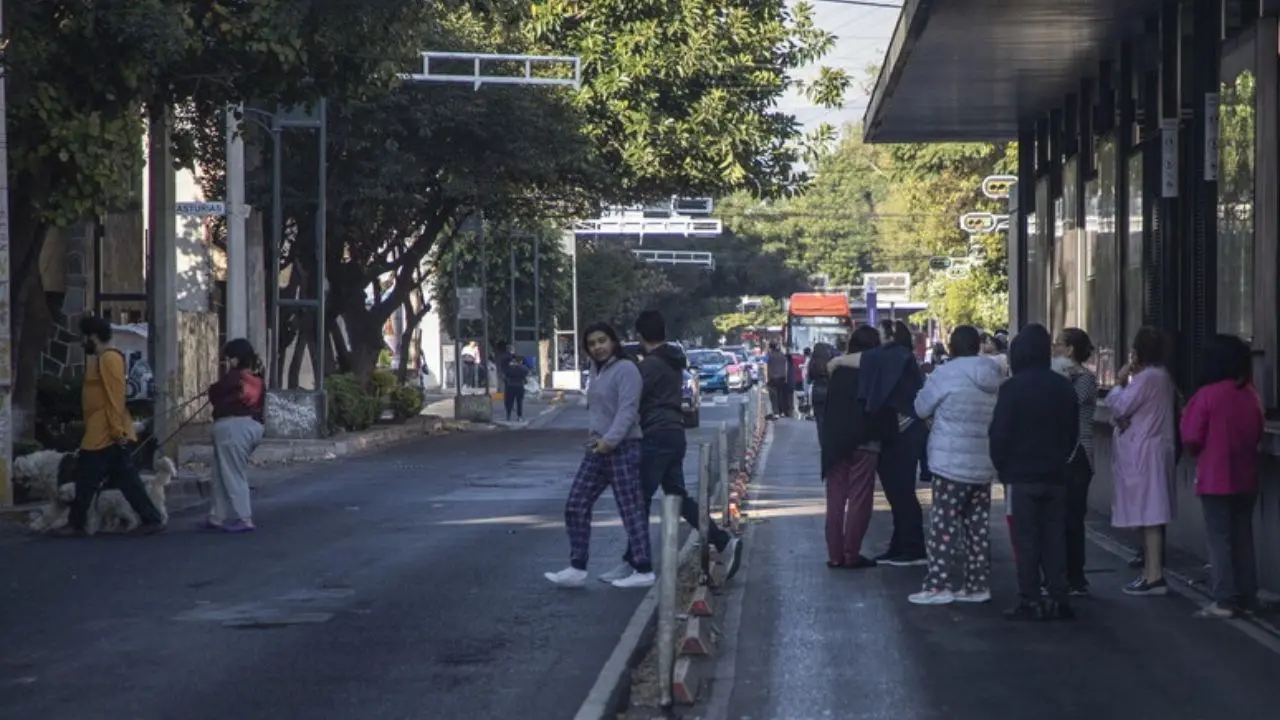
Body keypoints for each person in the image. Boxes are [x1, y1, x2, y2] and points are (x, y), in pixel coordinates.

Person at [600, 311, 744, 584]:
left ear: (640, 336)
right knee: (676, 497)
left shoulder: (650, 366)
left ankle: (637, 564)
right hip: (673, 433)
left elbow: (630, 398)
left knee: (638, 499)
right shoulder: (673, 361)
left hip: (655, 435)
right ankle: (723, 541)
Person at [545, 322, 655, 589]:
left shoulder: (626, 370)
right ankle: (577, 566)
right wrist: (599, 442)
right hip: (597, 448)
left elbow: (628, 411)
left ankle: (643, 569)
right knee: (576, 504)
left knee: (630, 509)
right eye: (592, 343)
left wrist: (610, 441)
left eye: (602, 341)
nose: (598, 347)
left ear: (614, 341)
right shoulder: (597, 371)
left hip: (623, 447)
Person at [989, 323, 1079, 621]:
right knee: (1055, 536)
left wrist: (1002, 468)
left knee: (1025, 539)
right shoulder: (1063, 387)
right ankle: (1059, 594)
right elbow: (1072, 432)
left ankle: (1030, 598)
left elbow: (999, 434)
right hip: (1055, 474)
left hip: (1020, 476)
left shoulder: (1011, 389)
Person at [909, 325, 1003, 605]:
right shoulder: (993, 375)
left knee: (943, 526)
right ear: (978, 346)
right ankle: (977, 585)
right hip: (983, 462)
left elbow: (921, 407)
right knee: (977, 527)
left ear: (952, 347)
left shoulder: (945, 374)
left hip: (950, 464)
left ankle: (939, 584)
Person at [52, 315, 167, 537]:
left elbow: (115, 399)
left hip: (105, 433)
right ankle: (151, 518)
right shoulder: (100, 359)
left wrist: (117, 432)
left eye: (84, 337)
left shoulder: (109, 359)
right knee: (125, 479)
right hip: (101, 431)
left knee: (87, 478)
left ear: (93, 337)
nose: (82, 342)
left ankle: (76, 524)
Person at [1180, 334, 1265, 618]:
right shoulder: (1250, 394)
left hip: (1215, 477)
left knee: (1219, 540)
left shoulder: (1207, 395)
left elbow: (1191, 437)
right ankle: (1247, 595)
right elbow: (1257, 432)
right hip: (1246, 475)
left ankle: (1224, 599)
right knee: (1243, 536)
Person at [835, 320, 927, 566]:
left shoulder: (897, 356)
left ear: (891, 337)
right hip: (897, 433)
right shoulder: (897, 358)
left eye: (880, 334)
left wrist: (839, 361)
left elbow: (870, 359)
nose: (877, 341)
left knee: (901, 491)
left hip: (905, 433)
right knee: (895, 491)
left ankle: (913, 546)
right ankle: (900, 545)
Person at [1108, 326, 1178, 597]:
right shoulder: (1162, 378)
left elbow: (1119, 407)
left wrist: (1118, 383)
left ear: (1137, 352)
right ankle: (1150, 573)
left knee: (1149, 515)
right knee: (1150, 514)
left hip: (1144, 455)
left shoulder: (1147, 378)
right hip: (1153, 451)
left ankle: (1153, 575)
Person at [820, 325, 891, 569]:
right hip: (865, 442)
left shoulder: (837, 371)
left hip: (835, 442)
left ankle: (834, 555)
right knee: (860, 499)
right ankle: (852, 554)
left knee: (835, 499)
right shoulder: (875, 371)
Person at [1051, 328, 1100, 596]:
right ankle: (1062, 574)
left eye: (1059, 344)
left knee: (1072, 517)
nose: (1055, 348)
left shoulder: (1085, 380)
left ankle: (1076, 576)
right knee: (1058, 517)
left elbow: (1066, 404)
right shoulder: (1060, 376)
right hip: (1062, 453)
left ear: (1070, 350)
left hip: (1079, 453)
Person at [204, 338, 266, 532]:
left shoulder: (235, 377)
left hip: (233, 427)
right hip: (249, 426)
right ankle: (217, 516)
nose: (227, 361)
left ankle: (244, 517)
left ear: (236, 358)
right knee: (221, 473)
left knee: (231, 473)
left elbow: (215, 392)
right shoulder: (257, 378)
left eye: (229, 357)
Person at [807, 343, 836, 443]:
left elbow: (809, 377)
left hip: (817, 390)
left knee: (819, 418)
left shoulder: (813, 362)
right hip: (830, 390)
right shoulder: (831, 361)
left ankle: (822, 441)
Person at [765, 341, 790, 419]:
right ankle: (782, 411)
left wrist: (767, 380)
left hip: (772, 378)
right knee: (781, 395)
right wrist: (786, 378)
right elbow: (786, 367)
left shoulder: (769, 356)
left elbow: (767, 368)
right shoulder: (782, 355)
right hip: (782, 378)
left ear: (770, 347)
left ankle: (776, 412)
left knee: (773, 396)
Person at [502, 355, 530, 422]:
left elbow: (505, 377)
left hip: (510, 387)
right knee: (519, 402)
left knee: (510, 402)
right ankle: (519, 416)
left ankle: (508, 416)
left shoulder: (509, 368)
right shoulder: (523, 369)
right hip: (520, 387)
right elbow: (526, 376)